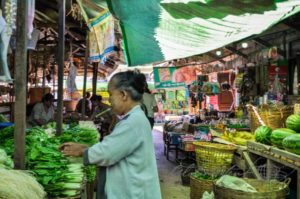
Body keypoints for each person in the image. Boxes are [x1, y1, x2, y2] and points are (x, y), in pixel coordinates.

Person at [60, 70, 162, 199]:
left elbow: (106, 153)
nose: (109, 99)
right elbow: (115, 148)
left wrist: (82, 151)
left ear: (123, 95)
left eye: (110, 94)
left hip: (133, 192)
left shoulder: (132, 122)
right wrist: (84, 147)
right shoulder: (135, 118)